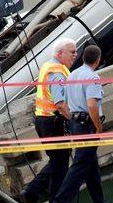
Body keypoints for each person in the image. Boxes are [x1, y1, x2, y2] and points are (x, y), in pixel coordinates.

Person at [20, 38, 78, 203]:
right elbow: (60, 105)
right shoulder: (57, 73)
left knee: (57, 161)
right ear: (60, 53)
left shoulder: (48, 66)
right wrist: (74, 121)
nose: (76, 55)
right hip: (53, 122)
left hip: (44, 120)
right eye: (72, 52)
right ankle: (51, 198)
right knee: (60, 166)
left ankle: (32, 192)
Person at [53, 45, 106, 203]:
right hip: (86, 125)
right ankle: (60, 201)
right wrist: (98, 126)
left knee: (91, 167)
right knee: (80, 165)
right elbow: (91, 105)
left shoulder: (72, 75)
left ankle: (99, 200)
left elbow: (68, 102)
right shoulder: (92, 77)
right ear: (97, 60)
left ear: (83, 58)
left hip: (75, 123)